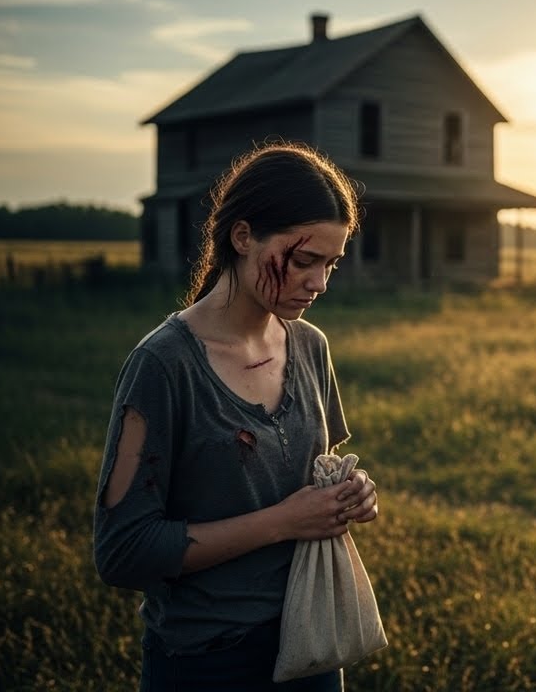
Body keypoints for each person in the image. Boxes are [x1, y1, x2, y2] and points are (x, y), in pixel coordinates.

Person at [93, 142, 379, 691]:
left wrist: (349, 492)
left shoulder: (310, 347)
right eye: (303, 260)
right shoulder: (163, 366)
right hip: (206, 659)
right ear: (242, 236)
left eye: (330, 264)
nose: (319, 283)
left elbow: (311, 471)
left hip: (311, 640)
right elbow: (122, 553)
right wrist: (283, 522)